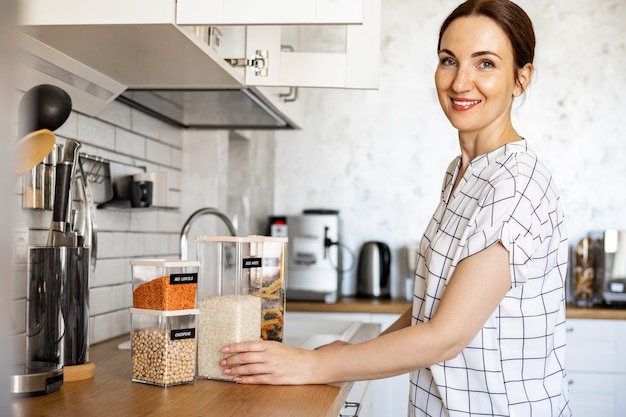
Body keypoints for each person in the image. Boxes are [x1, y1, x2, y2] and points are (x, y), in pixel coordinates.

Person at [220, 0, 571, 415]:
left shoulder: (515, 184)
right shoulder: (462, 173)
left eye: (485, 64)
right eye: (448, 60)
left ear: (520, 79)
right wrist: (358, 351)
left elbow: (446, 336)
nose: (460, 82)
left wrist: (314, 364)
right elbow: (437, 300)